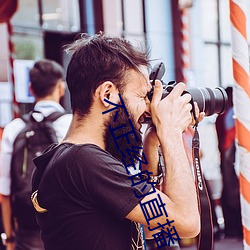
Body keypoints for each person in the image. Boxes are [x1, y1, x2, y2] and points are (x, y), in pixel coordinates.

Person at [31, 33, 202, 250]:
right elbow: (186, 222)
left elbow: (156, 226)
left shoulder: (69, 159)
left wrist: (152, 144)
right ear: (107, 94)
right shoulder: (84, 162)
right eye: (142, 96)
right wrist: (172, 133)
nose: (149, 109)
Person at [0, 59, 72, 250]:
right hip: (67, 230)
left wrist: (9, 239)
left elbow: (5, 191)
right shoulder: (71, 124)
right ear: (60, 88)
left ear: (31, 89)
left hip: (27, 233)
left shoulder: (14, 128)